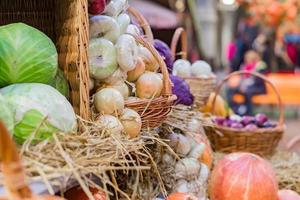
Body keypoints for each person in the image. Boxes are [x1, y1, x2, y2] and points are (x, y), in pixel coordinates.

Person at [227, 50, 267, 115]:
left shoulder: (260, 66)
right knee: (230, 90)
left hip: (258, 88)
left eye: (249, 59)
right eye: (247, 58)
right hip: (245, 87)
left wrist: (247, 85)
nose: (247, 60)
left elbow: (259, 81)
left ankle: (249, 113)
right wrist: (242, 85)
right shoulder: (244, 66)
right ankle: (237, 109)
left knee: (248, 91)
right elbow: (242, 78)